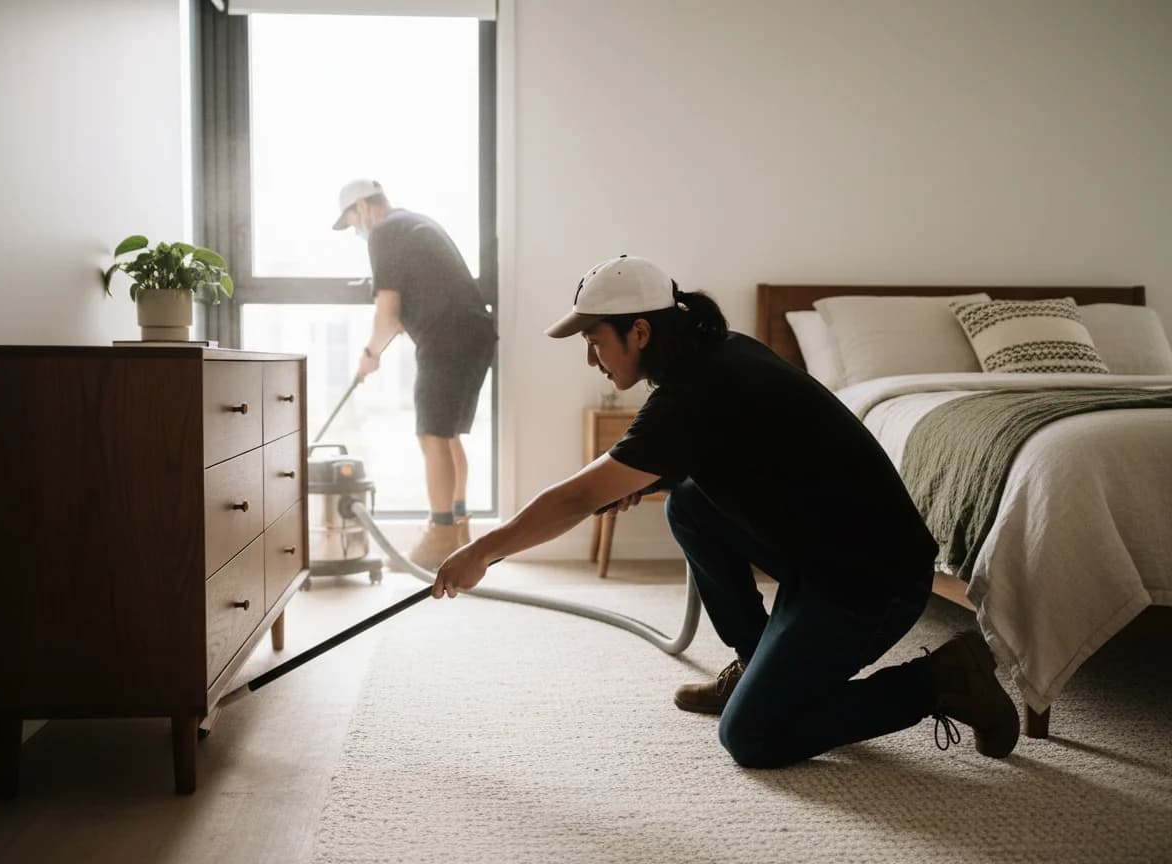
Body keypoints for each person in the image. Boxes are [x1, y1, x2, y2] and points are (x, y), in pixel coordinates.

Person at [431, 254, 1020, 768]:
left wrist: (482, 551)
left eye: (595, 340)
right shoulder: (718, 353)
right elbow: (736, 451)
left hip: (871, 584)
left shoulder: (693, 393)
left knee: (753, 735)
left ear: (640, 331)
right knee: (688, 502)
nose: (591, 359)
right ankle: (756, 659)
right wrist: (655, 471)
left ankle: (941, 679)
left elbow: (577, 497)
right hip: (826, 558)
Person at [333, 178, 496, 571]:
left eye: (351, 221)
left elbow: (387, 314)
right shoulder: (414, 224)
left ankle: (440, 537)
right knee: (448, 434)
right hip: (475, 336)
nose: (355, 231)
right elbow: (416, 302)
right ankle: (458, 529)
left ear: (363, 208)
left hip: (447, 339)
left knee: (431, 435)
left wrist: (370, 354)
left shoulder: (384, 233)